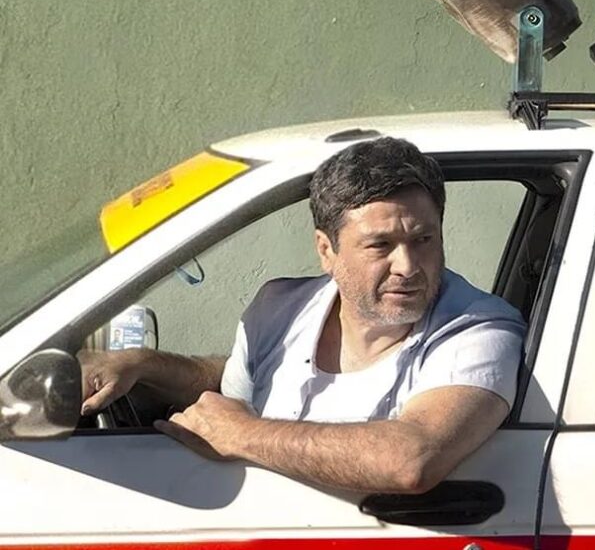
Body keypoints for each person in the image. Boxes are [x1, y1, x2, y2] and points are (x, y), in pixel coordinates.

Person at [79, 137, 525, 495]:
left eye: (424, 239)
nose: (408, 266)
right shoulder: (280, 308)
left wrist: (244, 435)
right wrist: (143, 364)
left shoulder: (478, 329)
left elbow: (413, 459)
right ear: (326, 250)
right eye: (380, 245)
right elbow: (232, 392)